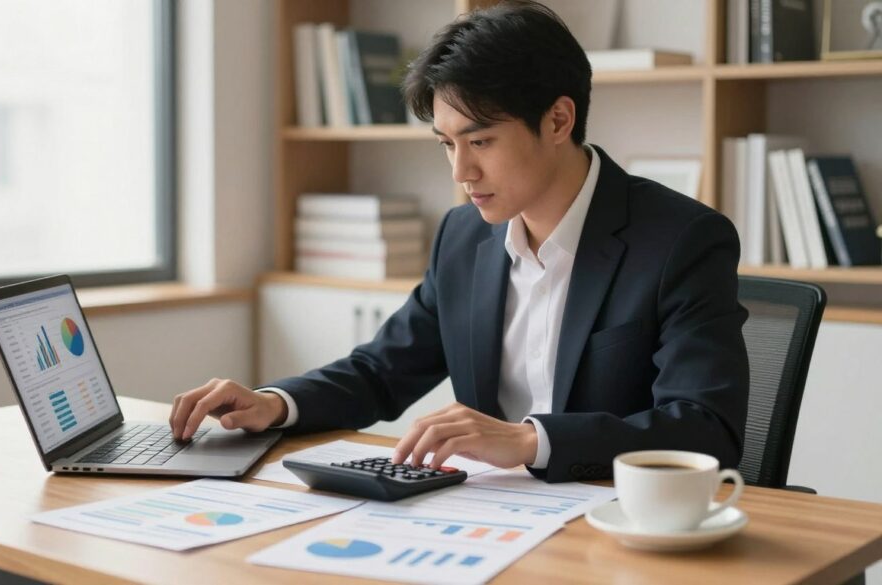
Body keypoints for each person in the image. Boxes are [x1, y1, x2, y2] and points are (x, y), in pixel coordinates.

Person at [169, 0, 749, 482]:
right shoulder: (464, 235)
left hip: (614, 521)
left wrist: (528, 440)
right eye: (446, 144)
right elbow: (382, 370)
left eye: (481, 142)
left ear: (558, 121)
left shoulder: (681, 240)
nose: (460, 172)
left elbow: (704, 426)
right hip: (492, 517)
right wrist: (274, 403)